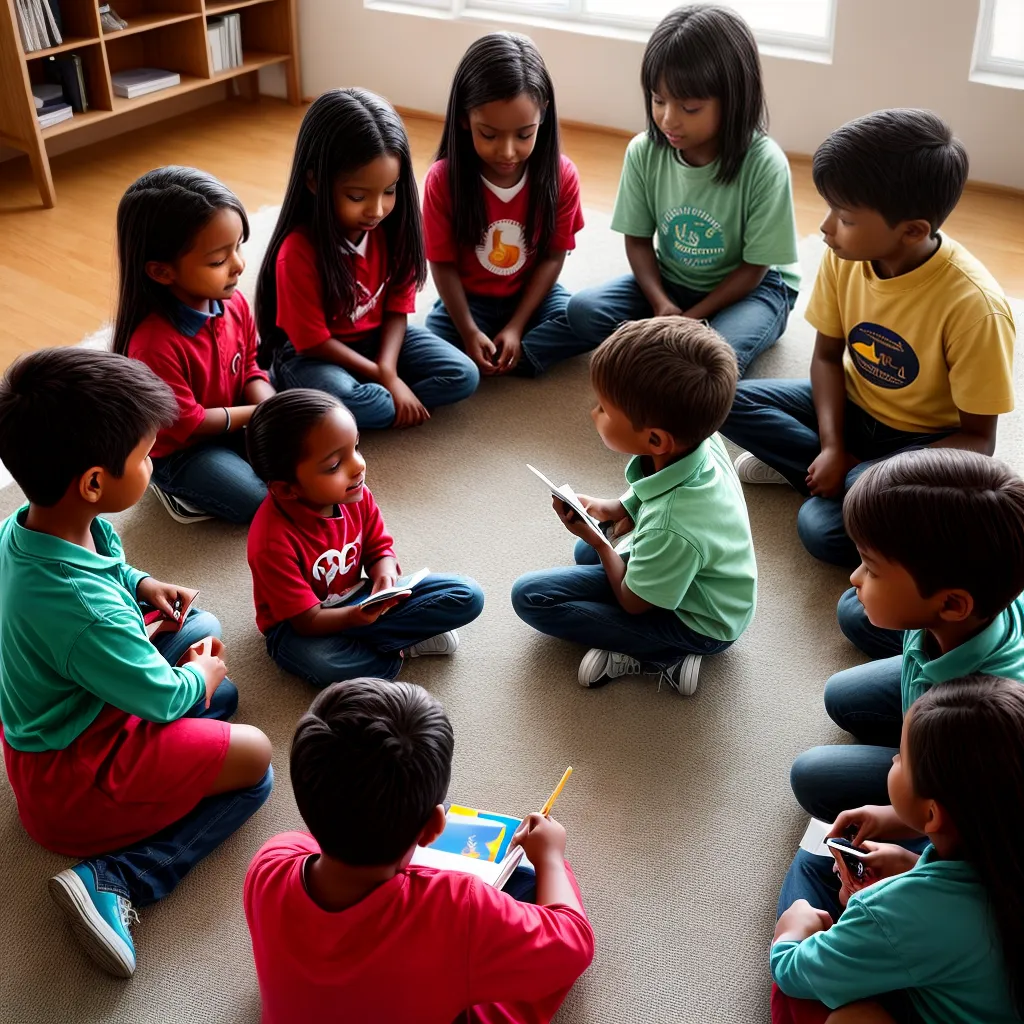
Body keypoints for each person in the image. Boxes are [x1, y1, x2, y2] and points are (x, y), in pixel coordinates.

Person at [0, 348, 273, 978]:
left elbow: (107, 571)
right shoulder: (82, 608)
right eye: (146, 454)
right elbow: (160, 696)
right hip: (75, 779)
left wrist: (143, 582)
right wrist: (196, 681)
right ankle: (116, 877)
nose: (154, 462)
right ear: (95, 482)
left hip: (78, 712)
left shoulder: (40, 525)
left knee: (200, 630)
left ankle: (192, 717)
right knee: (255, 760)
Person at [720, 109, 1016, 660]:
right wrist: (833, 445)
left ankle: (824, 475)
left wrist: (870, 475)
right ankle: (820, 465)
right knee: (717, 395)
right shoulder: (845, 256)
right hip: (853, 408)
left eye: (846, 217)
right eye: (830, 210)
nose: (827, 228)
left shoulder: (977, 308)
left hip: (923, 445)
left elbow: (979, 443)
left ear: (912, 231)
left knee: (820, 529)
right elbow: (828, 358)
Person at [244, 676, 595, 1023]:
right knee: (530, 883)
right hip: (447, 949)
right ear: (433, 828)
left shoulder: (269, 863)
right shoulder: (459, 907)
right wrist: (551, 857)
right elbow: (573, 946)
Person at [511, 316, 756, 695]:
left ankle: (663, 654)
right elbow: (653, 492)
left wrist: (602, 545)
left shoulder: (672, 526)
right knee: (585, 549)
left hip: (701, 624)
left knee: (532, 597)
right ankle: (647, 618)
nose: (594, 413)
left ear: (656, 439)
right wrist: (615, 508)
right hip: (701, 577)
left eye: (605, 410)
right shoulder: (702, 439)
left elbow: (633, 602)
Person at [788, 448, 1024, 825]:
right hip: (940, 675)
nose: (855, 576)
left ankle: (921, 761)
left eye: (872, 570)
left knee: (814, 776)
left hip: (959, 747)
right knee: (843, 682)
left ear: (950, 604)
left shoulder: (979, 719)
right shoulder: (972, 604)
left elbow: (971, 819)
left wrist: (893, 818)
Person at [772, 676, 1024, 1024]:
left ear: (932, 813)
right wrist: (912, 865)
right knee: (818, 864)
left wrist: (791, 933)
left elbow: (794, 974)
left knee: (805, 879)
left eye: (902, 757)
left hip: (912, 950)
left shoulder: (896, 912)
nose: (891, 760)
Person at [565, 4, 799, 376]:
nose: (669, 119)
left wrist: (688, 320)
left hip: (754, 287)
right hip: (672, 280)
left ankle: (681, 338)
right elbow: (638, 240)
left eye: (689, 107)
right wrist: (661, 303)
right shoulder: (644, 151)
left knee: (717, 359)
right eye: (659, 101)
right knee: (582, 312)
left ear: (734, 99)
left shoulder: (765, 164)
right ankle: (672, 337)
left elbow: (756, 267)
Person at [255, 88, 479, 431]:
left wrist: (387, 371)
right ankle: (351, 400)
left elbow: (396, 310)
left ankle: (361, 403)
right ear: (315, 181)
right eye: (358, 196)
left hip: (375, 342)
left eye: (390, 191)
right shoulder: (297, 252)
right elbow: (313, 342)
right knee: (366, 401)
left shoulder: (396, 228)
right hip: (311, 355)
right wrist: (385, 377)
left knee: (464, 375)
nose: (377, 210)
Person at [245, 389, 484, 688]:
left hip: (359, 596)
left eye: (356, 447)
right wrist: (355, 618)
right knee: (325, 664)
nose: (358, 466)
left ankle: (380, 640)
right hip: (298, 626)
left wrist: (385, 575)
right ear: (286, 489)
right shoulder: (270, 542)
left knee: (467, 595)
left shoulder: (356, 495)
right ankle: (398, 647)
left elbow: (379, 549)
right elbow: (307, 621)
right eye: (334, 466)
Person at [113, 166, 276, 524]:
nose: (237, 266)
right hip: (182, 450)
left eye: (237, 248)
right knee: (262, 501)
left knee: (303, 465)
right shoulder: (153, 345)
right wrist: (263, 413)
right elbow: (192, 422)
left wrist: (275, 406)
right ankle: (170, 488)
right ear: (160, 271)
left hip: (233, 421)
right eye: (218, 260)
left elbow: (250, 367)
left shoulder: (234, 303)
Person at [423, 32, 590, 378]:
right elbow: (442, 264)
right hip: (471, 302)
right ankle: (499, 352)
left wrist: (516, 325)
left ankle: (511, 349)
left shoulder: (562, 176)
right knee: (432, 340)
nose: (508, 151)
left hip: (533, 298)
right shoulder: (443, 180)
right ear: (464, 117)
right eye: (489, 134)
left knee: (583, 317)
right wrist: (469, 331)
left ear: (543, 115)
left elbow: (553, 256)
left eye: (524, 134)